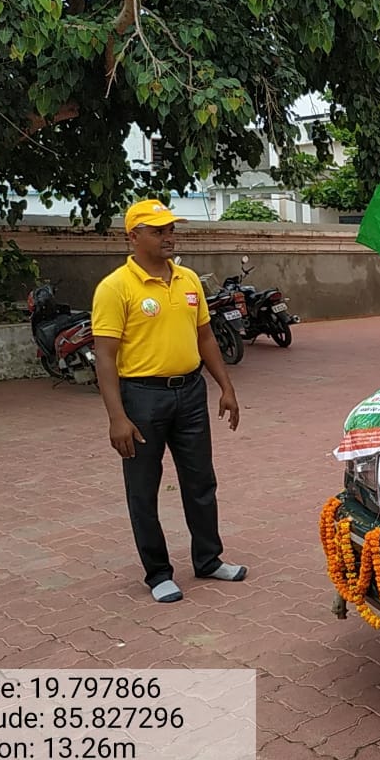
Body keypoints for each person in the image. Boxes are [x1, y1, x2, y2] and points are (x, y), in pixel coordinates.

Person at [92, 199, 247, 603]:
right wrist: (117, 418)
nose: (168, 236)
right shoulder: (115, 288)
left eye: (170, 229)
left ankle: (209, 560)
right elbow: (105, 357)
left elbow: (206, 338)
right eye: (157, 230)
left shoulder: (189, 279)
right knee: (143, 489)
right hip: (142, 397)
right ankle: (158, 572)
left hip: (191, 393)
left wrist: (225, 387)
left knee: (200, 480)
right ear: (133, 236)